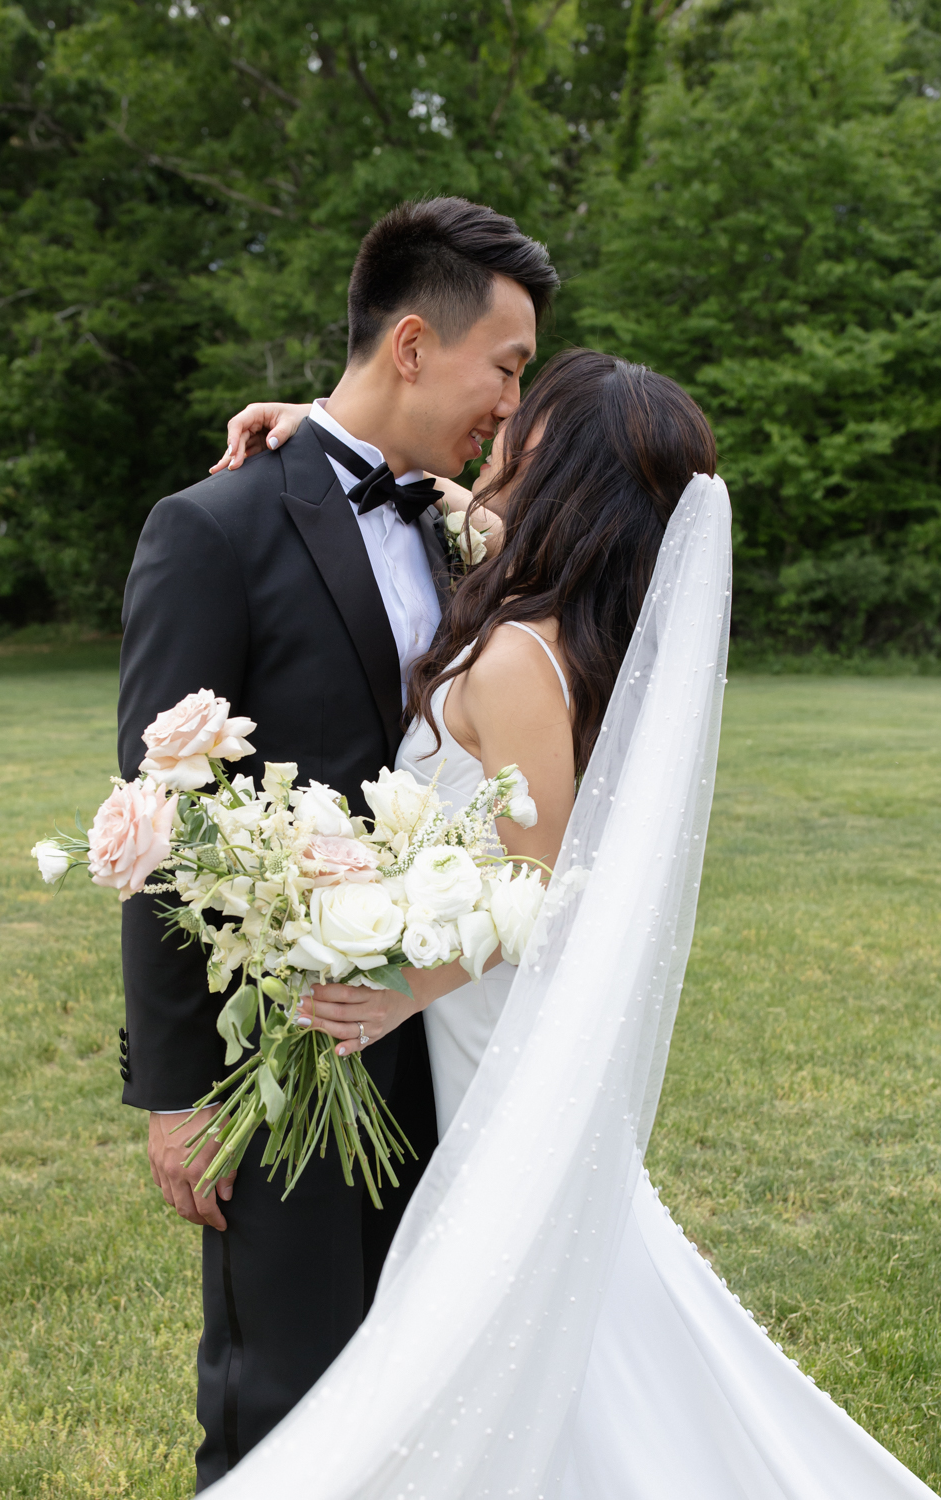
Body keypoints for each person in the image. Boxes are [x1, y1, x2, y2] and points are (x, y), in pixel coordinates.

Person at [199, 357, 933, 1499]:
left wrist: (401, 988)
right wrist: (323, 432)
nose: (498, 430)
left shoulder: (517, 657)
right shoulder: (537, 618)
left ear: (557, 469)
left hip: (494, 1035)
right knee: (561, 1297)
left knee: (517, 1305)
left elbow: (542, 889)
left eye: (520, 426)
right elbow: (445, 505)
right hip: (480, 1026)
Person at [116, 194, 559, 1491]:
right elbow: (159, 821)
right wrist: (181, 1090)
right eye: (507, 367)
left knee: (437, 1398)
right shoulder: (212, 530)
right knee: (286, 1408)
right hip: (292, 1053)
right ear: (416, 345)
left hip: (459, 1031)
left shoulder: (454, 517)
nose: (512, 405)